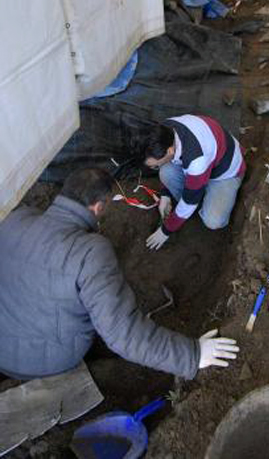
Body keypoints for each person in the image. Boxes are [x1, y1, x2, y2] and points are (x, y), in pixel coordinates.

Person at [0, 168, 239, 380]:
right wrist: (192, 355)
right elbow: (122, 334)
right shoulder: (89, 252)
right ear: (99, 206)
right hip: (48, 361)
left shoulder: (14, 219)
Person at [143, 114, 245, 251]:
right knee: (165, 172)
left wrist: (166, 230)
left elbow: (190, 200)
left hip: (225, 172)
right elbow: (171, 163)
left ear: (169, 151)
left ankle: (195, 203)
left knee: (213, 220)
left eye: (155, 165)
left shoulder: (196, 160)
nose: (154, 168)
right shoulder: (164, 131)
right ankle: (192, 199)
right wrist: (165, 195)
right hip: (206, 162)